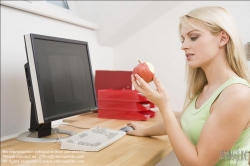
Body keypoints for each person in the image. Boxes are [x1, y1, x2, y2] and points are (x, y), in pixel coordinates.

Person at [128, 6, 250, 166]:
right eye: (183, 39)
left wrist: (163, 106)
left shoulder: (237, 95)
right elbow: (184, 120)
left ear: (222, 38)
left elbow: (198, 163)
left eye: (193, 37)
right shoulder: (207, 88)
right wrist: (143, 131)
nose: (183, 46)